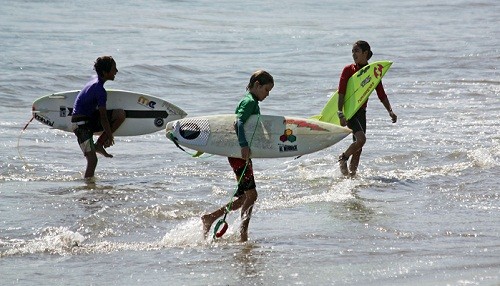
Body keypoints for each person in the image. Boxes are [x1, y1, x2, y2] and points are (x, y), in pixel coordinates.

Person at [202, 70, 274, 242]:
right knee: (252, 195)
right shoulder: (249, 102)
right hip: (238, 153)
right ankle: (243, 235)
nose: (268, 94)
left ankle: (211, 217)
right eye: (266, 90)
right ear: (257, 85)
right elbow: (238, 122)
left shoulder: (252, 102)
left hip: (240, 154)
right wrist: (243, 145)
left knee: (243, 198)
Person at [337, 41, 397, 176]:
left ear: (365, 53)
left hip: (362, 112)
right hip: (350, 111)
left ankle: (351, 177)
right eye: (353, 51)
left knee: (359, 148)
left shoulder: (373, 72)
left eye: (356, 51)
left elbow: (381, 94)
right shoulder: (348, 70)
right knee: (361, 140)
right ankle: (343, 158)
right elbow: (341, 92)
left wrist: (390, 111)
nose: (354, 54)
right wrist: (340, 113)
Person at [71, 56, 125, 181]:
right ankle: (88, 187)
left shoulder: (94, 80)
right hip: (80, 126)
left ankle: (99, 144)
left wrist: (107, 135)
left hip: (89, 120)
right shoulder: (100, 90)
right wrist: (110, 135)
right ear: (105, 73)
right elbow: (103, 117)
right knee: (92, 160)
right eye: (114, 69)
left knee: (120, 114)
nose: (116, 71)